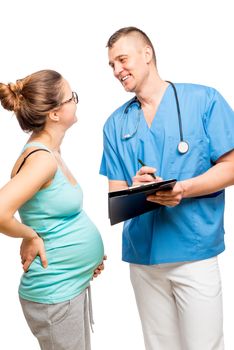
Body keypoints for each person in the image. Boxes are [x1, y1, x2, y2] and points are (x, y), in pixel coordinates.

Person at [100, 26, 234, 350]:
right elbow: (115, 199)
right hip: (143, 258)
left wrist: (183, 189)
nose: (117, 70)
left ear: (147, 54)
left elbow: (231, 167)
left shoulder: (204, 100)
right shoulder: (116, 123)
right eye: (111, 66)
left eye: (122, 59)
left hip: (194, 252)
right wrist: (136, 188)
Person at [0, 69, 105, 350]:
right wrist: (31, 235)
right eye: (71, 97)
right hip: (54, 294)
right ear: (55, 114)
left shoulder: (51, 153)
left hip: (68, 286)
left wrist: (84, 261)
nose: (76, 101)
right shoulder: (41, 159)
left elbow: (51, 217)